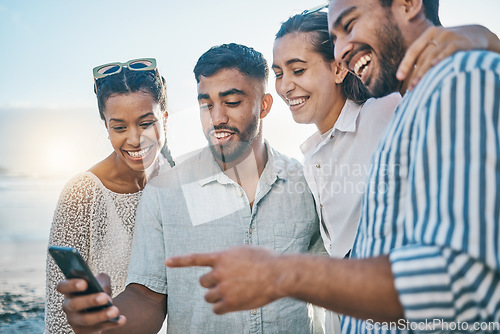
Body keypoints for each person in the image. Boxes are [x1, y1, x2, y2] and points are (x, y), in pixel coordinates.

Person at [167, 1, 500, 333]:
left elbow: (464, 281)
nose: (285, 86)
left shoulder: (384, 109)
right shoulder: (310, 159)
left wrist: (484, 38)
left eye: (298, 70)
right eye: (279, 74)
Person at [57, 43, 325, 334]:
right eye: (206, 104)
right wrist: (107, 320)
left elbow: (332, 282)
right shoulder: (164, 191)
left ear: (264, 105)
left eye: (231, 102)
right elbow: (147, 297)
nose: (216, 118)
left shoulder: (307, 180)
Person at [45, 58, 175, 333]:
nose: (135, 138)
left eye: (146, 123)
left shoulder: (174, 183)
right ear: (106, 127)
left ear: (164, 118)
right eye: (119, 127)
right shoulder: (81, 194)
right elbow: (59, 316)